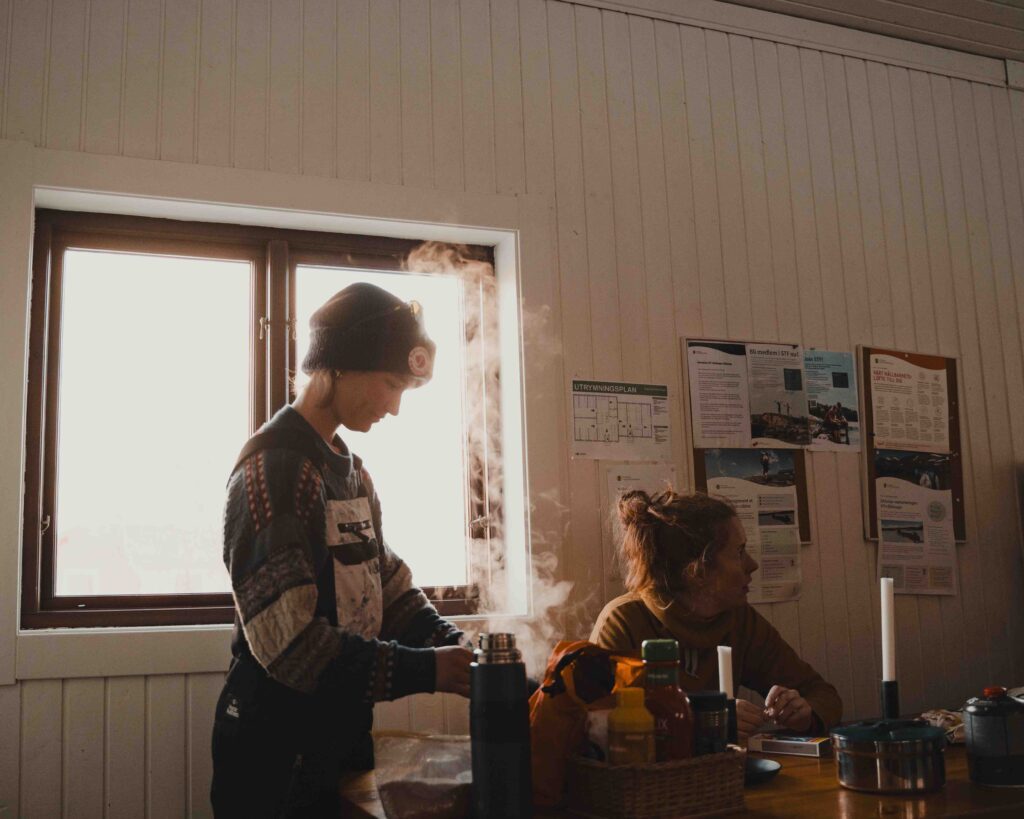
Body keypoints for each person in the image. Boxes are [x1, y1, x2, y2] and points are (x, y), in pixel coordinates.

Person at [211, 282, 474, 817]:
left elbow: (387, 586)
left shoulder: (349, 471)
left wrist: (461, 650)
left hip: (339, 738)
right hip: (273, 753)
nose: (394, 408)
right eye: (389, 385)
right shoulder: (277, 469)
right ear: (335, 367)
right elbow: (292, 647)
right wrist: (431, 670)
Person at [591, 491, 842, 741]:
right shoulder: (624, 622)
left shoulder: (739, 619)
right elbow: (598, 728)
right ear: (698, 571)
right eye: (739, 552)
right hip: (653, 780)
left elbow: (823, 695)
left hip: (721, 778)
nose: (752, 564)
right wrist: (702, 720)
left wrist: (804, 713)